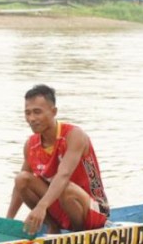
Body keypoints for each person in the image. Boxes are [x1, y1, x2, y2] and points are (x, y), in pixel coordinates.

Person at [6, 84, 110, 235]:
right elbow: (19, 187)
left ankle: (79, 235)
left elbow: (64, 175)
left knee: (65, 188)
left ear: (54, 112)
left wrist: (41, 206)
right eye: (27, 113)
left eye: (37, 112)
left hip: (94, 209)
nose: (32, 119)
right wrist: (8, 220)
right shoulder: (31, 144)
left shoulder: (74, 135)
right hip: (60, 204)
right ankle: (53, 227)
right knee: (22, 179)